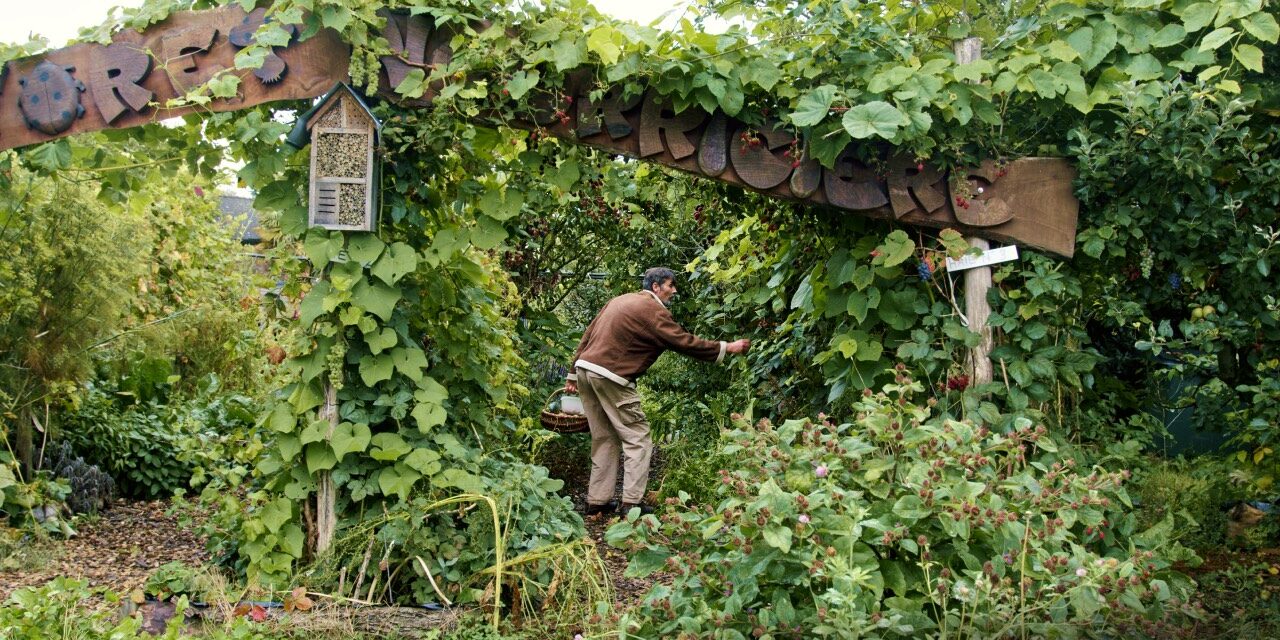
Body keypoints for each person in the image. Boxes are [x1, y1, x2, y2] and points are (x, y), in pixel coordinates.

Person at [565, 267, 751, 516]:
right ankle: (631, 503)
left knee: (604, 437)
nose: (674, 290)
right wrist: (727, 347)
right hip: (611, 375)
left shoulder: (620, 300)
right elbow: (683, 341)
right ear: (655, 287)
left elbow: (588, 334)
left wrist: (571, 374)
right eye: (670, 285)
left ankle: (597, 501)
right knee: (638, 438)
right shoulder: (652, 311)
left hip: (585, 370)